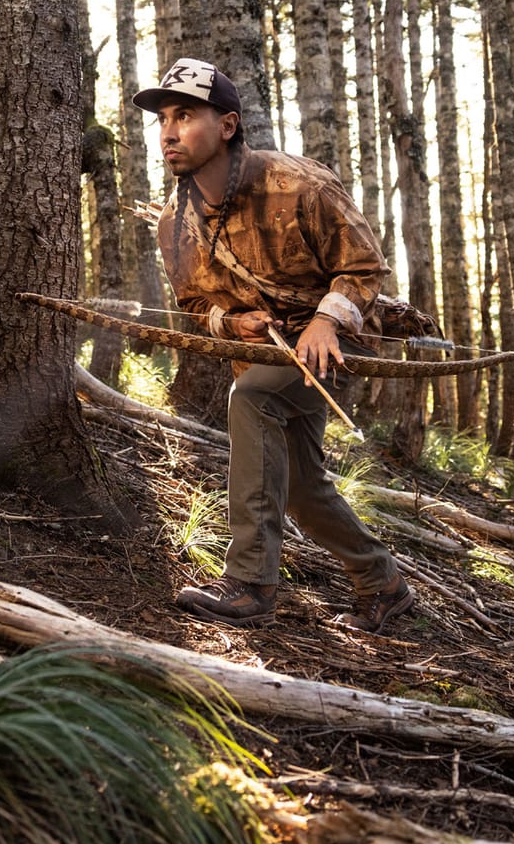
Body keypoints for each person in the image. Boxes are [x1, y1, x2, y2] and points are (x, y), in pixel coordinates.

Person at [133, 57, 414, 633]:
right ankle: (382, 582)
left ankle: (250, 585)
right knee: (304, 489)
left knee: (252, 399)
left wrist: (326, 323)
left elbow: (364, 268)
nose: (168, 132)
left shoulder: (300, 183)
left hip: (337, 343)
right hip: (267, 355)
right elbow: (193, 306)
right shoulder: (174, 222)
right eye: (162, 119)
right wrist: (231, 325)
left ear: (228, 126)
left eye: (184, 116)